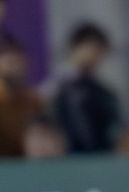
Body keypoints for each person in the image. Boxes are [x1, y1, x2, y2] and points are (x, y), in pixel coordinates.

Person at [49, 22, 121, 154]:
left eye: (100, 50)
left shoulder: (105, 93)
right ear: (75, 47)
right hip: (66, 163)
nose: (96, 56)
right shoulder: (54, 89)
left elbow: (116, 130)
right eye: (93, 48)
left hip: (103, 161)